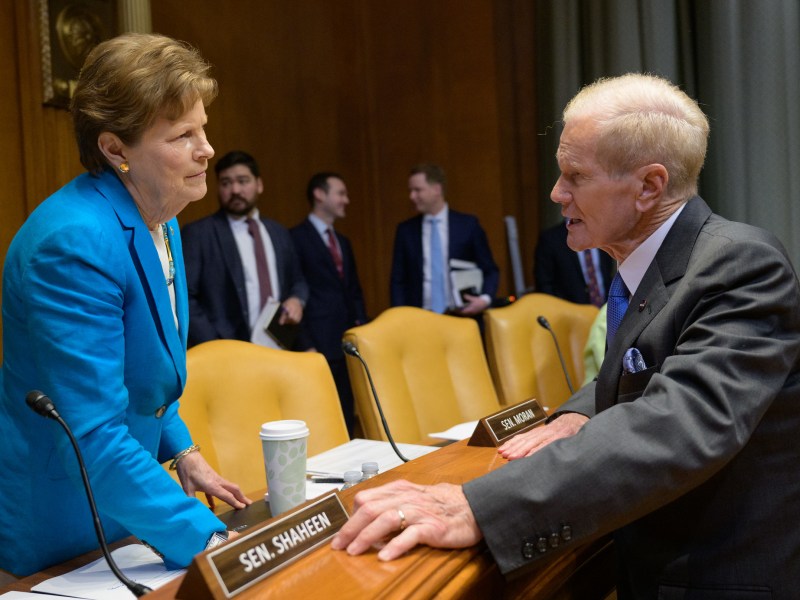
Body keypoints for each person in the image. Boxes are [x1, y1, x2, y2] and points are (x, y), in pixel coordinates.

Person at [332, 74, 800, 598]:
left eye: (575, 176)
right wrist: (584, 409)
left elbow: (676, 425)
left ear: (648, 186)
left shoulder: (741, 263)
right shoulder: (657, 262)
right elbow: (643, 366)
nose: (557, 193)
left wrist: (478, 506)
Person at [0, 33, 251, 577]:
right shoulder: (72, 244)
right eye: (183, 135)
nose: (206, 148)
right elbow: (88, 431)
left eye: (202, 128)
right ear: (116, 151)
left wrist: (182, 450)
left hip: (127, 506)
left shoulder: (162, 216)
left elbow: (142, 372)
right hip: (62, 518)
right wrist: (214, 544)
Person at [182, 151, 309, 348]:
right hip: (226, 352)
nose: (235, 190)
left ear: (259, 184)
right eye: (225, 183)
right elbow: (185, 298)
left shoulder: (278, 232)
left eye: (243, 181)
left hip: (280, 347)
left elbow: (298, 280)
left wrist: (296, 300)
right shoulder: (199, 233)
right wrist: (215, 346)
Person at [290, 173, 367, 435]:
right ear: (320, 194)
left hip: (345, 343)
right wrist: (305, 343)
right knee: (321, 417)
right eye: (341, 193)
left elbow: (354, 291)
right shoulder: (296, 238)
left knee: (346, 411)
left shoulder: (342, 241)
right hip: (316, 344)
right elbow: (295, 291)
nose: (346, 200)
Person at [390, 163, 499, 315]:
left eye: (417, 190)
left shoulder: (468, 225)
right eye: (410, 191)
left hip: (462, 315)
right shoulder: (406, 231)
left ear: (436, 189)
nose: (412, 196)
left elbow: (490, 270)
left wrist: (484, 300)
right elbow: (398, 280)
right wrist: (399, 315)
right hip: (420, 319)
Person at [534, 220, 614, 306]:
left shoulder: (603, 233)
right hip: (569, 314)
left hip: (606, 312)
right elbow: (545, 286)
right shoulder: (551, 239)